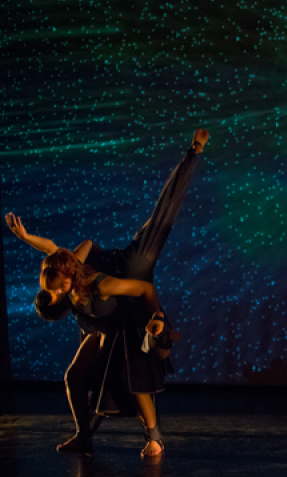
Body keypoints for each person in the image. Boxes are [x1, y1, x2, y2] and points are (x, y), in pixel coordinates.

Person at [5, 129, 208, 456]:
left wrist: (157, 317)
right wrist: (27, 237)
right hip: (102, 326)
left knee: (160, 217)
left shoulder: (98, 282)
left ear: (69, 282)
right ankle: (83, 436)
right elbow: (54, 249)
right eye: (53, 294)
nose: (54, 296)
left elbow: (143, 287)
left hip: (129, 268)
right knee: (75, 376)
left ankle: (154, 437)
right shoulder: (64, 271)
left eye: (57, 292)